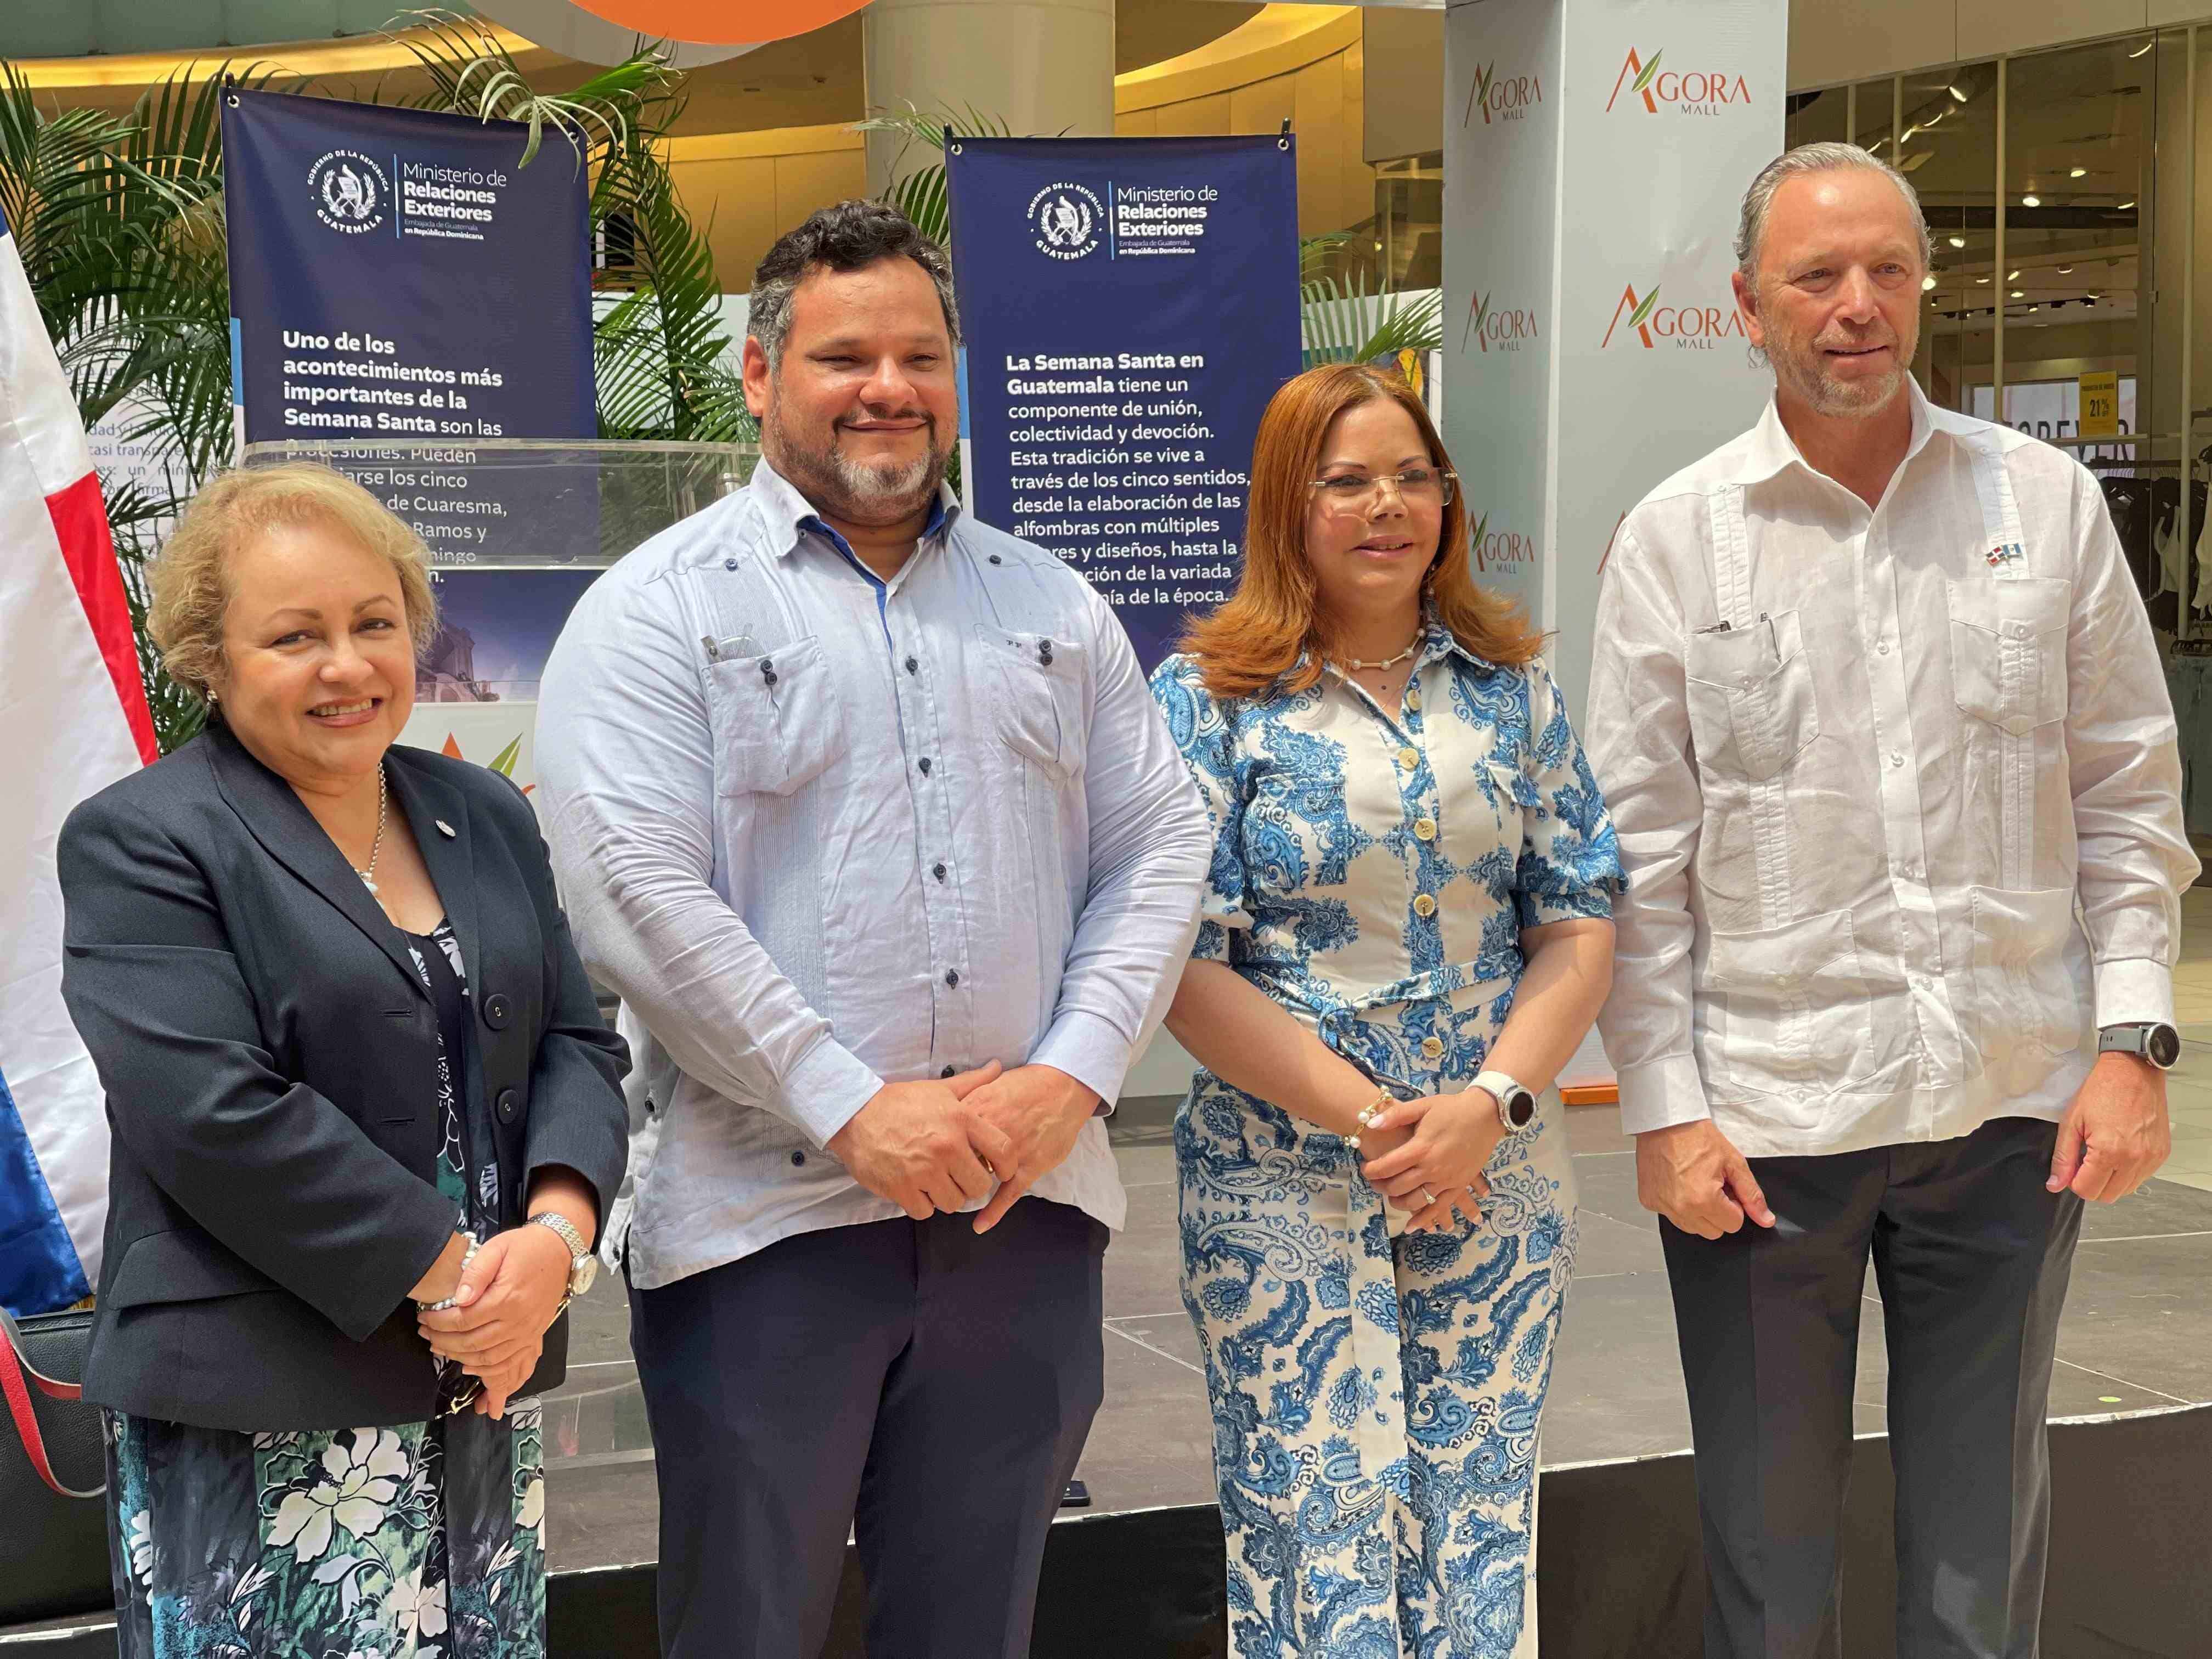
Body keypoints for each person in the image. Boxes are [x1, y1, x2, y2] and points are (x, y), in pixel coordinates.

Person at [532, 200, 1211, 1659]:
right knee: (749, 1628)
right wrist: (851, 1107)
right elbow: (634, 890)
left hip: (1021, 1214)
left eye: (921, 354)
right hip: (767, 1230)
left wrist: (1072, 1075)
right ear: (761, 373)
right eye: (846, 356)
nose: (889, 387)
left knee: (974, 1627)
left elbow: (1162, 841)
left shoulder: (1052, 604)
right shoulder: (657, 612)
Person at [1585, 142, 2199, 1659]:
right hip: (1761, 1132)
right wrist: (1662, 1108)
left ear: (1926, 285)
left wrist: (2134, 1045)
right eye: (1816, 277)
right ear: (1748, 304)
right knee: (1768, 1569)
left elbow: (2129, 793)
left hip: (2007, 1108)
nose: (1856, 307)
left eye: (1887, 272)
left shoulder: (2040, 504)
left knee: (1975, 1575)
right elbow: (1634, 862)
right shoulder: (1680, 539)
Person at [56, 463, 629, 1659]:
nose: (348, 666)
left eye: (376, 625)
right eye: (294, 636)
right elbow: (215, 1115)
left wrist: (556, 1247)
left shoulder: (483, 811)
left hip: (478, 1381)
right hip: (263, 1402)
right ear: (208, 655)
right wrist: (467, 1282)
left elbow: (576, 1038)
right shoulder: (145, 839)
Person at [1149, 362, 1623, 1657]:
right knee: (1317, 1536)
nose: (1387, 505)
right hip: (1281, 1180)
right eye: (1347, 480)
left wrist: (1486, 1107)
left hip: (1497, 1179)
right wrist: (1375, 1124)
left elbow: (1578, 922)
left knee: (1477, 1523)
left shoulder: (1512, 689)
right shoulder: (1208, 703)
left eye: (1414, 477)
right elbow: (1182, 964)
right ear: (1285, 507)